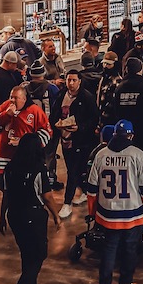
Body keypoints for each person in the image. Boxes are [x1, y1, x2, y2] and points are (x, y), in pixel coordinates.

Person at [85, 119, 143, 284]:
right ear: (131, 136)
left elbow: (92, 188)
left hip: (107, 214)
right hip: (132, 215)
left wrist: (92, 212)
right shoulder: (138, 155)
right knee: (129, 251)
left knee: (109, 250)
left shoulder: (101, 155)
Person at [0, 134, 59, 284]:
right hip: (33, 216)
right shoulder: (38, 169)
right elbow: (47, 196)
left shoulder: (9, 168)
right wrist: (57, 216)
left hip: (14, 216)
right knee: (39, 255)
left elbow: (6, 194)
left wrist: (2, 217)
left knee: (27, 254)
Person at [52, 69, 100, 220]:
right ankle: (85, 191)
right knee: (74, 169)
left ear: (79, 81)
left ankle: (67, 203)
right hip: (65, 140)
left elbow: (94, 119)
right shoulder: (61, 96)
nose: (71, 83)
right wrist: (56, 125)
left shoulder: (86, 98)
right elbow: (54, 115)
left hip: (81, 141)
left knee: (72, 171)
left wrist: (80, 127)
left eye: (74, 80)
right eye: (68, 80)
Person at [0, 51, 25, 121]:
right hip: (0, 114)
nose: (16, 68)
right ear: (10, 64)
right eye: (15, 65)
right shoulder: (3, 79)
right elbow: (6, 100)